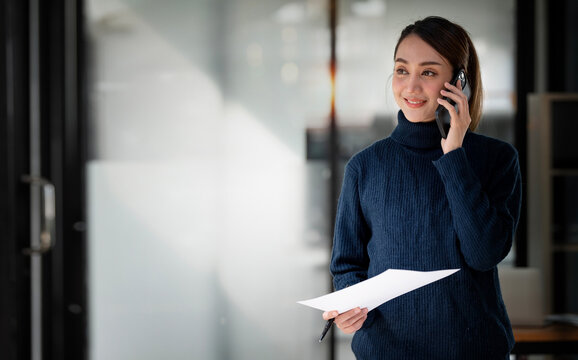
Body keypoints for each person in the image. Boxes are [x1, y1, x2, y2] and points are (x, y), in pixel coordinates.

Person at [322, 16, 522, 359]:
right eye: (402, 70)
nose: (411, 86)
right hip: (386, 351)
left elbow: (484, 253)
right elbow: (346, 265)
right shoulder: (365, 167)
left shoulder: (496, 159)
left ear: (460, 82)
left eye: (428, 72)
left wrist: (455, 157)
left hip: (473, 351)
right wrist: (350, 309)